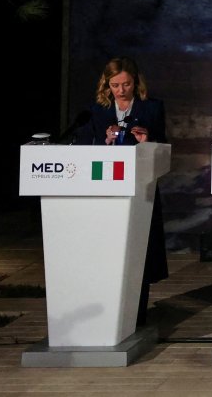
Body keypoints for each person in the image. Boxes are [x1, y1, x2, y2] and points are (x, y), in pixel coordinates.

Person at [76, 56, 168, 326]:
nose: (121, 90)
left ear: (135, 82)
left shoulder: (152, 108)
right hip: (107, 192)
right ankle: (107, 310)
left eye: (126, 84)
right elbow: (85, 146)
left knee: (140, 250)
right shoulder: (97, 111)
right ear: (107, 85)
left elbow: (163, 148)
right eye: (115, 85)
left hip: (140, 188)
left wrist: (145, 141)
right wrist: (104, 142)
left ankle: (137, 312)